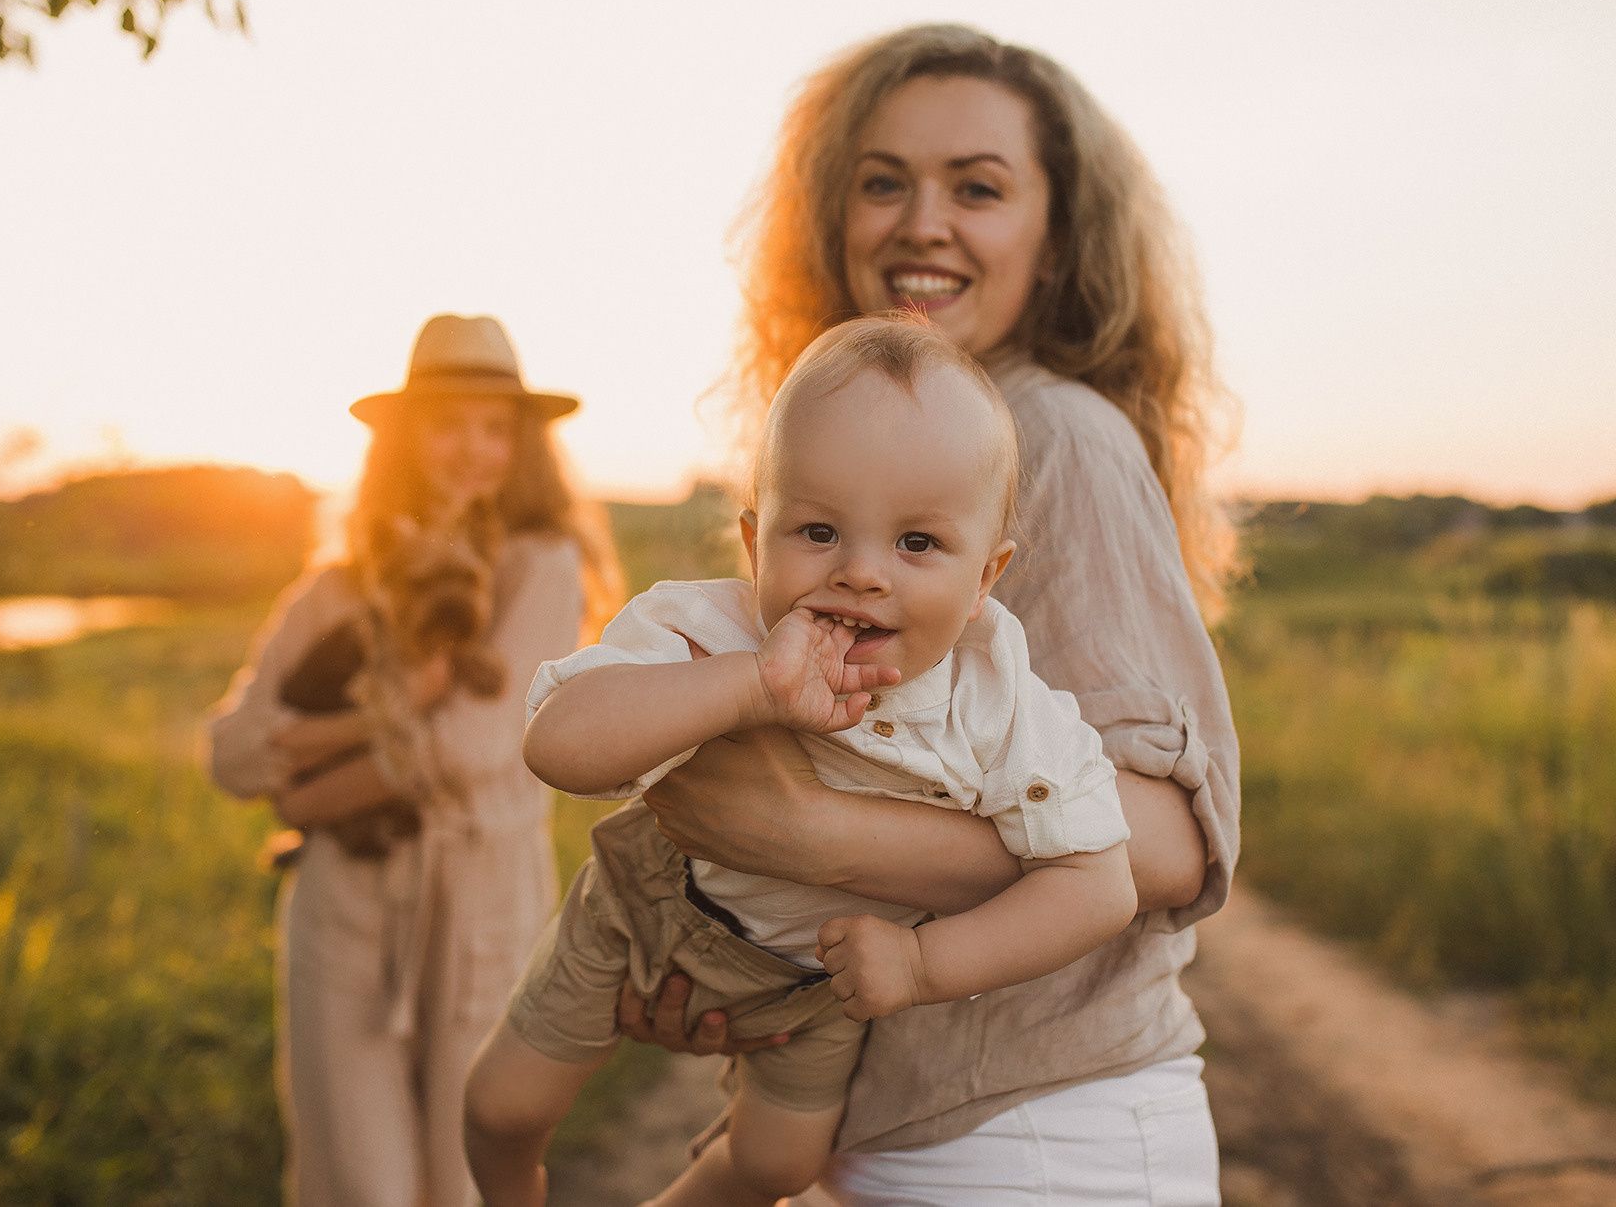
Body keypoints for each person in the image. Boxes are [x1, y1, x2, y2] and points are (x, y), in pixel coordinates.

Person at [645, 22, 1241, 1204]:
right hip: (918, 1122)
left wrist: (805, 833)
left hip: (1032, 1133)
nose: (922, 222)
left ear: (1053, 235)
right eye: (882, 182)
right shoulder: (885, 456)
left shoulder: (1052, 431)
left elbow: (1168, 844)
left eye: (976, 187)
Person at [469, 318, 1139, 1207]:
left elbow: (1102, 884)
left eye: (916, 543)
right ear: (754, 542)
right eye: (817, 530)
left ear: (986, 577)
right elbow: (556, 739)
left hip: (818, 984)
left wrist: (924, 965)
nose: (861, 573)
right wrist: (747, 688)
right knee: (500, 1105)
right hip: (649, 908)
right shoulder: (717, 631)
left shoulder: (1001, 706)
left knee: (776, 1167)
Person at [209, 314, 618, 1207]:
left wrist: (307, 796)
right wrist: (390, 710)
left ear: (522, 447)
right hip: (346, 913)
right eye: (446, 423)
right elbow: (230, 754)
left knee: (460, 1181)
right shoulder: (338, 585)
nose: (471, 449)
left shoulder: (541, 567)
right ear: (402, 438)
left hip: (482, 909)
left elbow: (473, 749)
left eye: (494, 428)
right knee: (361, 1184)